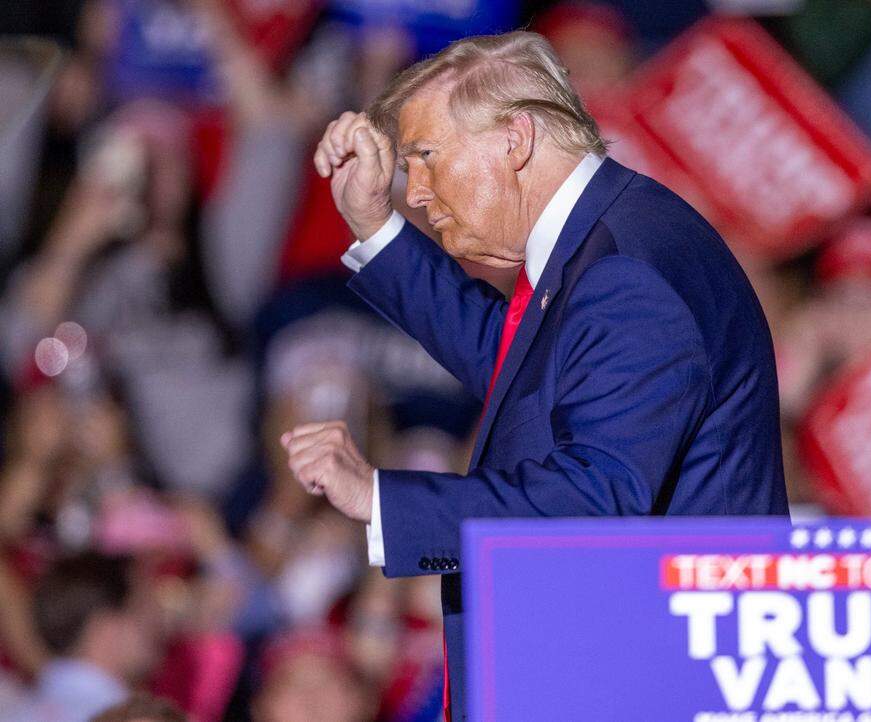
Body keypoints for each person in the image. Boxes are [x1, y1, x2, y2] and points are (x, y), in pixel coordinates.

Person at [280, 31, 788, 718]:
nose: (418, 193)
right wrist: (374, 224)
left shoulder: (627, 272)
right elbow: (525, 369)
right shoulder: (612, 237)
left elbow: (596, 502)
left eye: (427, 159)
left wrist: (381, 500)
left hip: (644, 688)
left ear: (515, 139)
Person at [2, 553, 162, 722]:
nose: (158, 622)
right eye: (143, 608)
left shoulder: (15, 712)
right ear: (109, 627)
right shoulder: (124, 716)